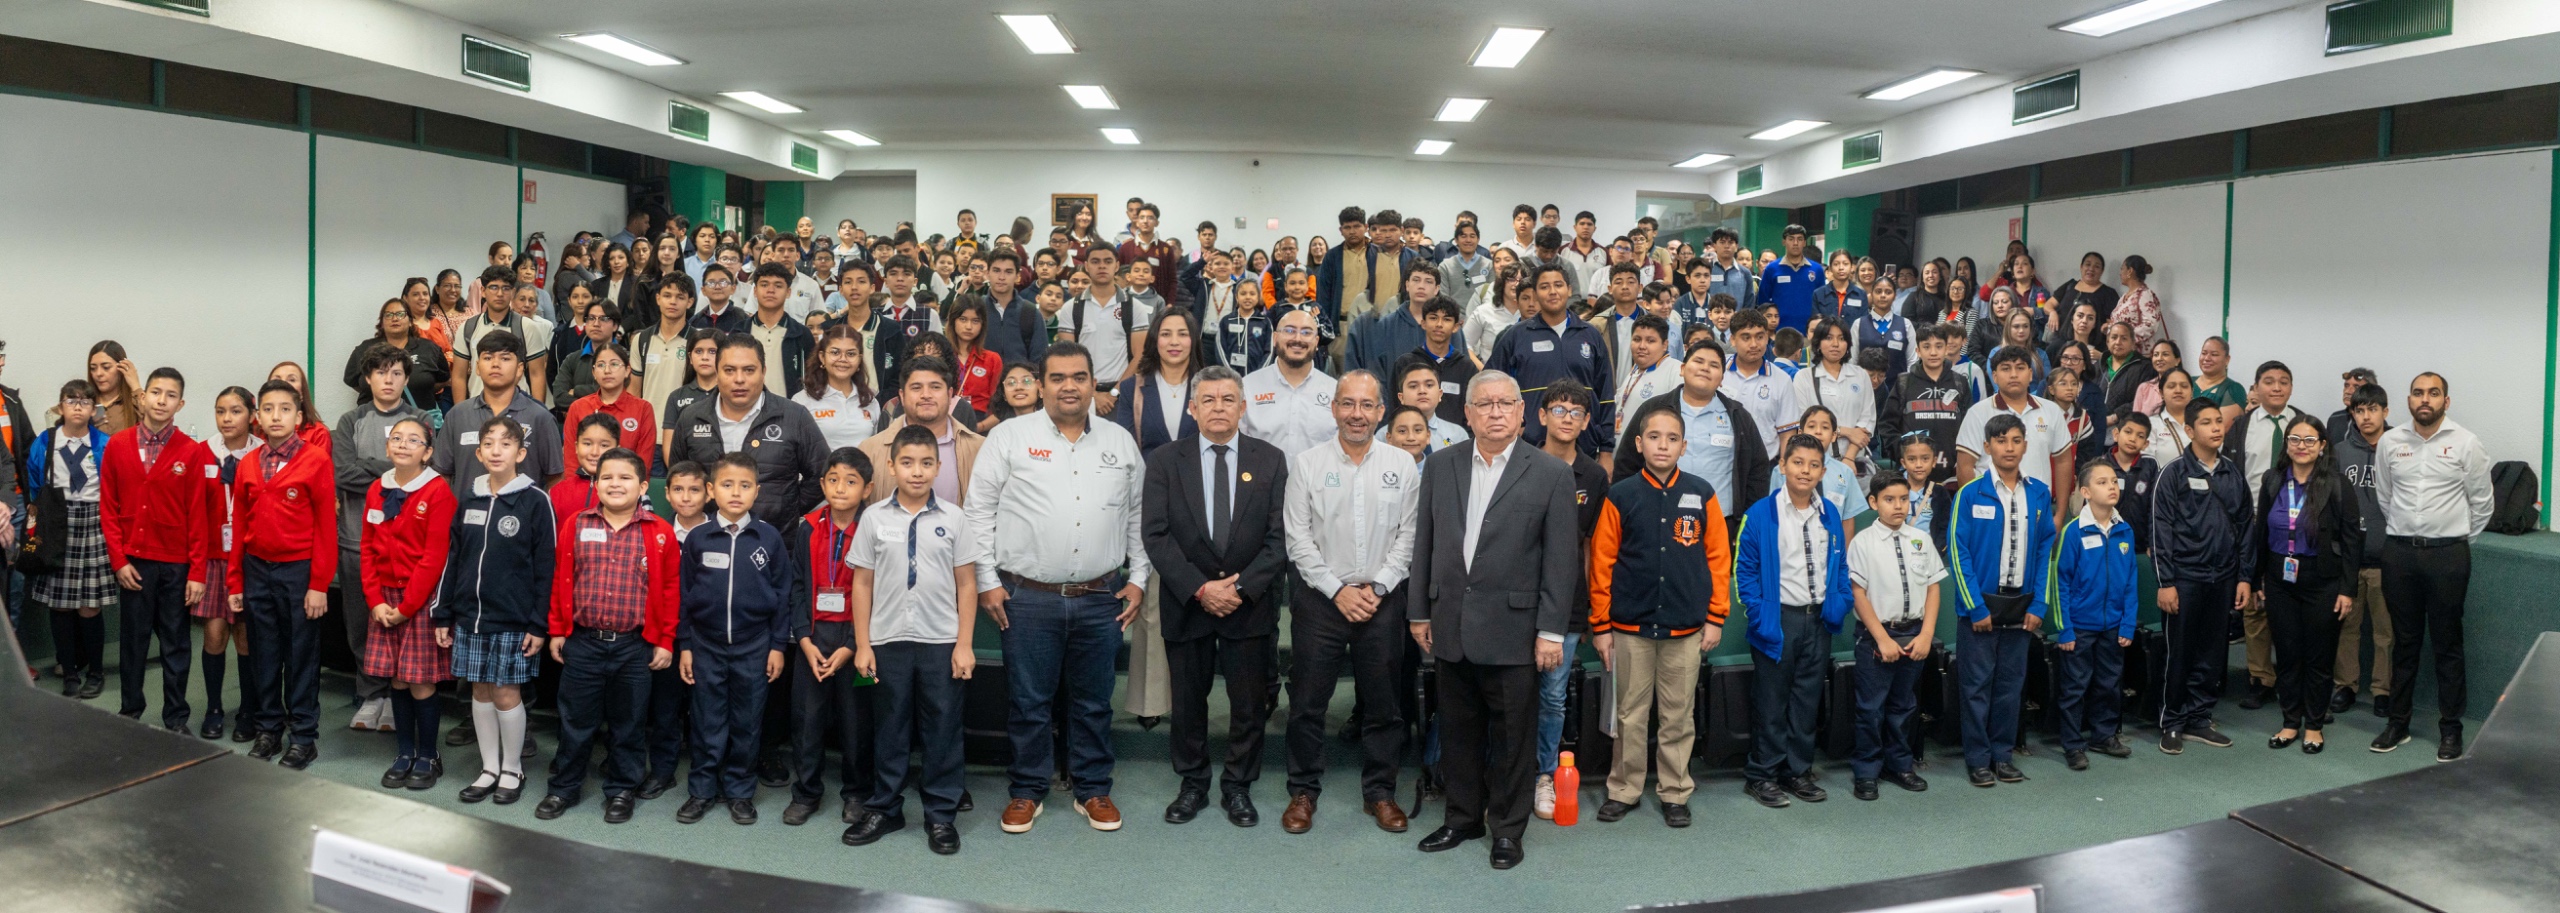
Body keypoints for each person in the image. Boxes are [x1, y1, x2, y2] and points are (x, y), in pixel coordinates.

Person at [968, 343, 1149, 835]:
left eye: (1079, 377)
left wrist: (1138, 577)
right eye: (1058, 377)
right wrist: (987, 581)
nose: (1069, 386)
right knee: (1028, 702)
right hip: (1027, 598)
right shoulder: (1008, 437)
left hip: (1100, 597)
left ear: (1093, 383)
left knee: (1094, 701)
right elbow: (978, 512)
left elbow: (1137, 516)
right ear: (1041, 384)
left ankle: (1093, 788)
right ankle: (1027, 790)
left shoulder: (1120, 442)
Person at [1408, 370, 1577, 870]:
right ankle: (1462, 819)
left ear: (1522, 413)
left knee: (1511, 739)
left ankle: (1507, 829)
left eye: (1505, 403)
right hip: (1451, 622)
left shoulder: (1550, 473)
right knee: (1458, 731)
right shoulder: (1442, 465)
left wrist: (1551, 632)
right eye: (1485, 404)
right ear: (1468, 414)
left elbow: (1561, 561)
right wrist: (1419, 610)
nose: (1496, 412)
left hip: (1516, 630)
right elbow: (1424, 543)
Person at [1137, 364, 1288, 827]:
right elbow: (1155, 534)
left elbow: (1279, 538)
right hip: (1188, 601)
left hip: (1249, 604)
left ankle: (1238, 786)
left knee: (1248, 704)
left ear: (1243, 408)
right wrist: (1201, 588)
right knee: (1188, 703)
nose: (1218, 408)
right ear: (1192, 408)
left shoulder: (1271, 460)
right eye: (1208, 400)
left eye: (1227, 400)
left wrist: (1238, 588)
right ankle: (1193, 784)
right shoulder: (1165, 461)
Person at [1280, 369, 1417, 834]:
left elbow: (1409, 536)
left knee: (1384, 705)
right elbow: (1298, 540)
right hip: (1321, 599)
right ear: (1334, 408)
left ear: (1381, 411)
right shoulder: (1307, 464)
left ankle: (1380, 793)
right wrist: (1337, 590)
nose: (1357, 414)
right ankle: (1303, 791)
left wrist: (1377, 588)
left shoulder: (1402, 465)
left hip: (1382, 600)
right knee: (1307, 703)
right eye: (1348, 403)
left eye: (1367, 405)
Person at [1586, 408, 1730, 824]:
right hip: (1630, 628)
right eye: (1654, 437)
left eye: (1671, 438)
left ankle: (1675, 791)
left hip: (1686, 629)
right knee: (1630, 714)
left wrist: (1716, 617)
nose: (1662, 445)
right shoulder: (1621, 495)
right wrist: (1601, 626)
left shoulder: (1702, 493)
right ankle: (1624, 788)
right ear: (1639, 443)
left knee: (1678, 716)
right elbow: (1602, 563)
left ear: (1684, 445)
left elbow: (1719, 558)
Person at [838, 428, 978, 855]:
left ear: (938, 467)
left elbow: (967, 584)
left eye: (926, 463)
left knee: (943, 728)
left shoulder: (955, 517)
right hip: (886, 641)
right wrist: (863, 645)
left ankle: (941, 815)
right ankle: (885, 808)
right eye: (907, 462)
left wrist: (964, 644)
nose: (917, 472)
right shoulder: (874, 518)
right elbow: (862, 584)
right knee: (889, 727)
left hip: (941, 642)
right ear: (891, 466)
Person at [535, 444, 678, 821]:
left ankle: (621, 790)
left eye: (625, 477)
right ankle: (563, 788)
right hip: (583, 642)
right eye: (607, 477)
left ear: (643, 486)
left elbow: (669, 591)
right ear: (596, 483)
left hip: (635, 647)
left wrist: (665, 640)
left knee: (629, 724)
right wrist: (557, 629)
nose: (616, 484)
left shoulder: (659, 532)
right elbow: (561, 579)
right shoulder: (577, 524)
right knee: (575, 722)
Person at [429, 416, 553, 803]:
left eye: (506, 443)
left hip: (514, 620)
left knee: (505, 692)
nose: (496, 451)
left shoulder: (535, 501)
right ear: (479, 453)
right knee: (480, 692)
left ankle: (512, 768)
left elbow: (546, 568)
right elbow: (454, 557)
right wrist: (443, 611)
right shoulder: (469, 497)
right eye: (489, 444)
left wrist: (538, 623)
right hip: (470, 617)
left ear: (521, 453)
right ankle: (489, 768)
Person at [2371, 372, 2492, 761]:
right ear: (2409, 400)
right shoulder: (2390, 442)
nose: (2425, 399)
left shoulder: (2466, 443)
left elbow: (2482, 503)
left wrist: (2452, 540)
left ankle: (2451, 729)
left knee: (2447, 644)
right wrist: (2408, 534)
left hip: (2448, 557)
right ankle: (2398, 724)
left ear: (2446, 401)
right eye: (2418, 393)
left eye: (2433, 393)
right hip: (2400, 555)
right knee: (2404, 642)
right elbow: (2385, 496)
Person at [673, 453, 794, 825]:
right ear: (712, 490)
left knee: (747, 722)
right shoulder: (698, 538)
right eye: (727, 485)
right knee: (706, 720)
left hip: (754, 645)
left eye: (745, 485)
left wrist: (777, 646)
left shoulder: (769, 538)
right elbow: (684, 595)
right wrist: (686, 645)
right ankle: (702, 790)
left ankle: (740, 791)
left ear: (757, 491)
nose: (736, 492)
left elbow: (783, 595)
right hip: (705, 644)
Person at [1734, 433, 1851, 809]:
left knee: (1806, 701)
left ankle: (1797, 771)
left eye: (1814, 465)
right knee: (1771, 702)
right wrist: (1758, 613)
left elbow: (1840, 564)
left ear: (1823, 472)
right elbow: (1744, 571)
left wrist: (1841, 601)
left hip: (1819, 621)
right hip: (1778, 620)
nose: (1805, 471)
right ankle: (1762, 775)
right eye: (1798, 462)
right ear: (1782, 466)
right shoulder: (1760, 514)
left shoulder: (1829, 512)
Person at [227, 379, 337, 769]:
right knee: (264, 654)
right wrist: (235, 580)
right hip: (257, 570)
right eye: (269, 409)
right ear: (258, 416)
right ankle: (268, 729)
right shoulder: (248, 464)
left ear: (299, 416)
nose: (276, 416)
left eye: (285, 409)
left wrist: (319, 584)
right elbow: (240, 524)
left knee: (301, 656)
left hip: (299, 572)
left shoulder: (315, 460)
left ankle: (303, 737)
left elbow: (326, 527)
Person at [1946, 413, 2055, 787]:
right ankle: (1978, 760)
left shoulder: (2038, 493)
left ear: (2025, 445)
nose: (2009, 448)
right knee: (1976, 687)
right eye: (2001, 440)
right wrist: (1974, 606)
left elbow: (2044, 551)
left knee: (2010, 687)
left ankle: (2002, 755)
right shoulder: (1970, 493)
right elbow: (1958, 552)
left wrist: (2039, 605)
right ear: (1987, 446)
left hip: (2021, 607)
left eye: (2016, 440)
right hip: (1980, 608)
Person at [96, 367, 207, 728]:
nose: (162, 401)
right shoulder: (118, 445)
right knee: (133, 642)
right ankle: (131, 712)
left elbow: (198, 515)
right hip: (134, 565)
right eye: (156, 392)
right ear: (142, 397)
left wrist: (197, 572)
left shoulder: (190, 452)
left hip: (175, 566)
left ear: (180, 404)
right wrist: (118, 560)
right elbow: (108, 508)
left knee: (176, 642)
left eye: (171, 395)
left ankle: (175, 718)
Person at [775, 448, 879, 829]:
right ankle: (806, 792)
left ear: (867, 489)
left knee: (858, 720)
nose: (840, 488)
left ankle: (857, 792)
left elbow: (878, 591)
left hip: (860, 642)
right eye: (833, 480)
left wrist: (852, 645)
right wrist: (803, 639)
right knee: (807, 719)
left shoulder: (874, 528)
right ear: (821, 484)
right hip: (814, 638)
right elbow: (797, 586)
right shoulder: (808, 526)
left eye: (851, 481)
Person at [2253, 413, 2362, 755]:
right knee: (2287, 654)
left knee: (2318, 656)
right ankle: (2290, 722)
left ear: (2322, 446)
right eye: (2295, 439)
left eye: (2310, 440)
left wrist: (2347, 589)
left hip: (2322, 580)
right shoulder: (2273, 480)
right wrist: (2256, 577)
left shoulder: (2337, 484)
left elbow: (2352, 541)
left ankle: (2313, 725)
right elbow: (2260, 531)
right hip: (2279, 578)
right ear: (2286, 444)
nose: (2302, 446)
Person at [332, 347, 429, 730]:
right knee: (361, 625)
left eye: (396, 373)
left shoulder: (420, 419)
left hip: (408, 547)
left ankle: (398, 698)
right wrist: (394, 470)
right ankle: (371, 695)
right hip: (356, 541)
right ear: (368, 378)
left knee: (405, 627)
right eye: (381, 372)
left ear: (406, 379)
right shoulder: (351, 420)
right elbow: (344, 474)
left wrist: (369, 467)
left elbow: (423, 472)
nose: (388, 380)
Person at [358, 416, 455, 791]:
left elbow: (434, 558)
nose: (402, 444)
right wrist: (375, 600)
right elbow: (367, 548)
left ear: (427, 452)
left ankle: (428, 754)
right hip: (384, 598)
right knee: (397, 678)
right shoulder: (376, 488)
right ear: (387, 447)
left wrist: (407, 607)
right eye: (396, 438)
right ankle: (404, 751)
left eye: (413, 440)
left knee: (420, 680)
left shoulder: (437, 491)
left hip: (419, 599)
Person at [1527, 380, 1608, 821]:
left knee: (1554, 696)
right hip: (1518, 598)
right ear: (1542, 416)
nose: (1567, 418)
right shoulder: (1520, 461)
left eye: (1576, 412)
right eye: (1558, 409)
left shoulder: (1594, 476)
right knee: (1511, 690)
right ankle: (1505, 771)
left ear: (1586, 421)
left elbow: (1593, 546)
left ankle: (1544, 773)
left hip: (1569, 602)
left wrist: (1595, 608)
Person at [2152, 396, 2251, 754]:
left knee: (2212, 653)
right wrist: (2166, 582)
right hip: (2184, 578)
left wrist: (2244, 576)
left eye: (2218, 421)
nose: (2216, 428)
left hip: (2223, 578)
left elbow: (2245, 526)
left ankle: (2199, 718)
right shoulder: (2173, 473)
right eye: (2206, 423)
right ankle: (2172, 721)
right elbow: (2160, 529)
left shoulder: (2232, 473)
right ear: (2190, 430)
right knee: (2180, 651)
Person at [1843, 473, 1941, 800]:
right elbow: (1858, 593)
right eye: (1889, 499)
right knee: (1871, 709)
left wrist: (1927, 634)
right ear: (1873, 503)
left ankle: (1899, 765)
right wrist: (1882, 639)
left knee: (1904, 706)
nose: (1898, 506)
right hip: (1876, 637)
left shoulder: (1920, 539)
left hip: (1914, 633)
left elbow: (1933, 588)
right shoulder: (1863, 543)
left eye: (1903, 499)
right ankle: (1867, 771)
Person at [664, 336, 831, 524]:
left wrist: (787, 510)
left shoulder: (794, 416)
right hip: (707, 535)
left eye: (749, 370)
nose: (739, 379)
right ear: (717, 372)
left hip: (777, 536)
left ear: (763, 372)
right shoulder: (691, 417)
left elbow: (822, 474)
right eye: (729, 370)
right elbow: (679, 475)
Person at [2232, 361, 2310, 712]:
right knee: (2255, 602)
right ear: (2256, 387)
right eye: (2269, 382)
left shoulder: (2304, 423)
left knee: (2296, 604)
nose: (2276, 388)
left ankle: (2297, 678)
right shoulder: (2242, 425)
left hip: (2298, 523)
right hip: (2253, 522)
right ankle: (2260, 678)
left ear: (2291, 387)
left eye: (2283, 381)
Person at [2053, 460, 2140, 770]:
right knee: (2075, 687)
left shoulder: (2125, 530)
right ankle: (2072, 744)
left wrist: (2127, 623)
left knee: (2109, 684)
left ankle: (2103, 736)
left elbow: (2130, 581)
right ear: (2086, 492)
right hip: (2080, 626)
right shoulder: (2073, 531)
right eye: (2102, 482)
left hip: (2113, 625)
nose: (2112, 487)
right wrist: (2065, 628)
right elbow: (2060, 582)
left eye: (2114, 481)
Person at [1483, 263, 1614, 458]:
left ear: (1569, 290)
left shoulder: (1591, 335)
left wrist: (1606, 451)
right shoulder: (1516, 336)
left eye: (1558, 285)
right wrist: (1515, 425)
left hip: (1584, 449)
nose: (1552, 292)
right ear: (1536, 294)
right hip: (1529, 449)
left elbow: (1606, 396)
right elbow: (1490, 386)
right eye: (1544, 287)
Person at [193, 386, 257, 741]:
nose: (227, 418)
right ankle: (214, 708)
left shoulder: (261, 454)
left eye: (235, 411)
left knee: (245, 637)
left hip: (248, 559)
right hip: (214, 558)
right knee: (214, 634)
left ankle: (248, 709)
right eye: (220, 411)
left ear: (252, 414)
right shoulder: (203, 453)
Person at [432, 330, 567, 497]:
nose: (495, 364)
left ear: (519, 369)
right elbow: (442, 474)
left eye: (505, 358)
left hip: (523, 513)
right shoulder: (457, 415)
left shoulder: (540, 417)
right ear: (477, 368)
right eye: (488, 358)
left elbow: (555, 478)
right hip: (466, 513)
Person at [2331, 383, 2393, 717]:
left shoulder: (2400, 448)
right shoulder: (2340, 452)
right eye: (2359, 410)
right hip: (2348, 559)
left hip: (2386, 557)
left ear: (2385, 411)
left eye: (2372, 409)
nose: (2366, 416)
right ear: (2352, 414)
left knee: (2385, 632)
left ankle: (2383, 690)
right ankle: (2345, 685)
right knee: (2347, 627)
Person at [1955, 347, 2072, 519]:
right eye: (2006, 368)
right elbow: (1964, 466)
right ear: (1994, 376)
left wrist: (2060, 514)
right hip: (1990, 511)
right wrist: (1977, 510)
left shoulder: (2051, 410)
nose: (2014, 374)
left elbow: (2063, 461)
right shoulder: (1978, 413)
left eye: (2020, 367)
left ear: (2030, 374)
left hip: (2037, 510)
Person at [855, 357, 983, 509]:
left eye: (935, 387)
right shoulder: (870, 450)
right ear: (902, 396)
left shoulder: (979, 449)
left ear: (949, 395)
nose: (926, 395)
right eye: (916, 388)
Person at [1240, 308, 1339, 459]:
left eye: (1306, 332)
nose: (1298, 339)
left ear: (1316, 342)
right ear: (1275, 338)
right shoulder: (1248, 387)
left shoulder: (1335, 392)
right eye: (1289, 331)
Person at [342, 298, 450, 412]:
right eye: (388, 315)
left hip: (420, 416)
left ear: (410, 321)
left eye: (400, 314)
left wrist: (420, 390)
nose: (394, 318)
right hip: (373, 417)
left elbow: (443, 378)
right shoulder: (365, 349)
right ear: (382, 323)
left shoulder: (429, 348)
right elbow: (351, 380)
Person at [562, 344, 656, 474]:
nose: (607, 370)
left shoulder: (643, 409)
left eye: (614, 364)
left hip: (626, 483)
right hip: (583, 484)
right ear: (593, 372)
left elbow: (643, 464)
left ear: (627, 370)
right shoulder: (578, 407)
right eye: (601, 365)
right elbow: (571, 461)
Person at [792, 324, 882, 452]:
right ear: (822, 357)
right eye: (835, 352)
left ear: (859, 359)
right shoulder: (802, 401)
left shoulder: (870, 401)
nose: (843, 359)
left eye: (851, 354)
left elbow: (877, 449)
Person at [1754, 224, 1823, 332]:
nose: (1795, 243)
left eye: (1799, 239)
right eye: (1791, 239)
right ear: (1784, 242)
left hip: (1810, 332)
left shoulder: (1817, 269)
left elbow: (1821, 302)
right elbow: (1763, 304)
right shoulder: (1771, 269)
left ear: (1804, 242)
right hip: (1778, 332)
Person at [83, 342, 142, 435]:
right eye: (93, 368)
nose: (98, 374)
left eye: (106, 367)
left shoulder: (133, 402)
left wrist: (135, 385)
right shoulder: (85, 403)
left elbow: (154, 425)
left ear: (122, 368)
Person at [2115, 255, 2166, 353]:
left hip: (2139, 355)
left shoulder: (2145, 295)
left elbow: (2151, 325)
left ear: (2130, 271)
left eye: (2122, 268)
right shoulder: (2124, 297)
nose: (2120, 273)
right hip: (2123, 353)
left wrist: (2126, 338)